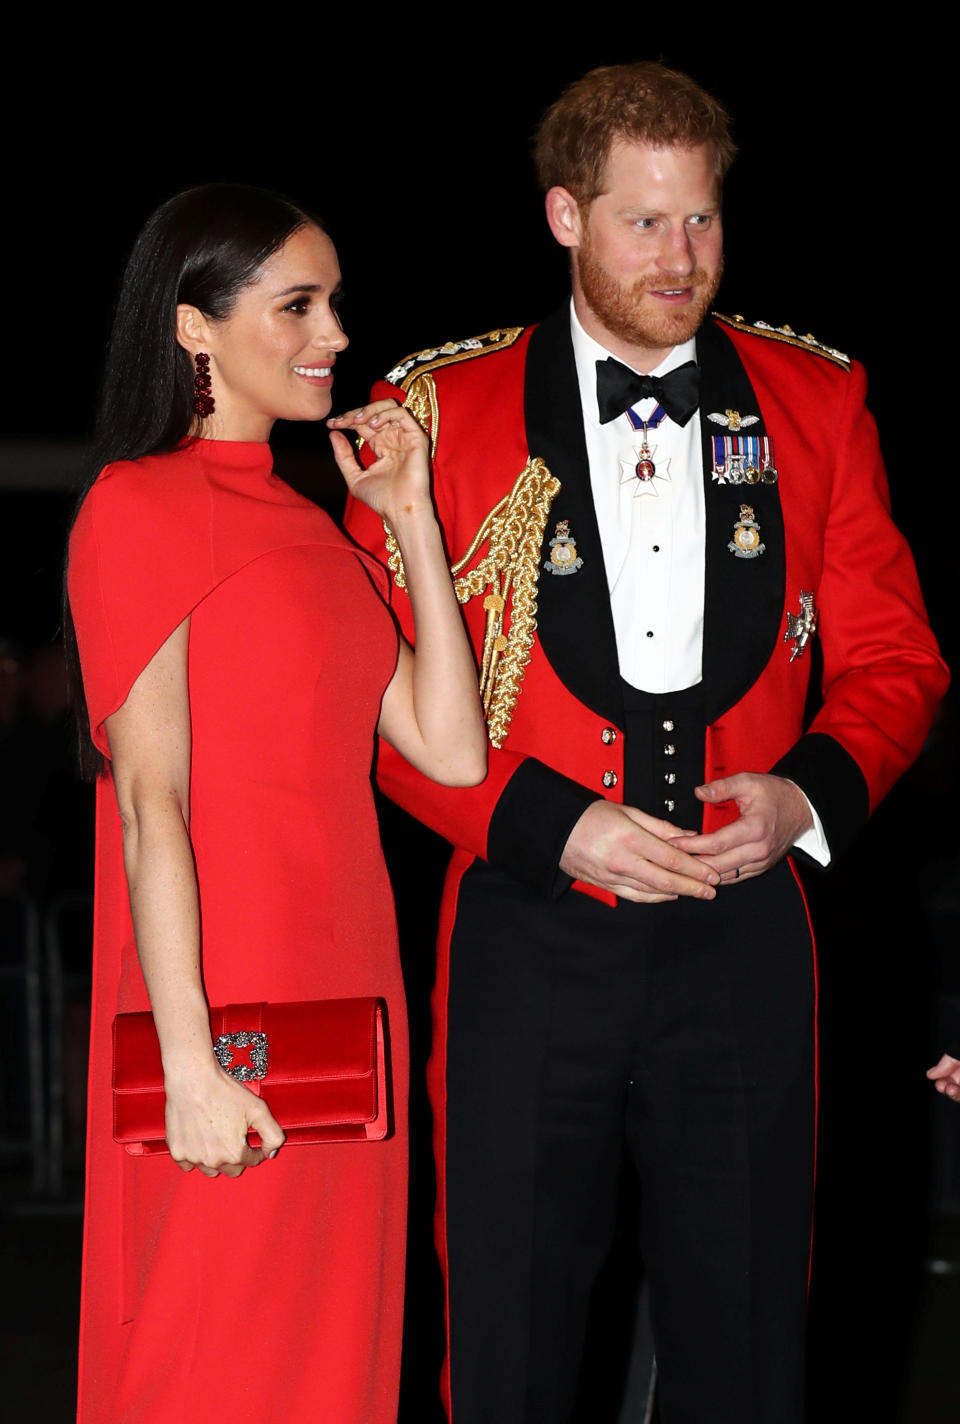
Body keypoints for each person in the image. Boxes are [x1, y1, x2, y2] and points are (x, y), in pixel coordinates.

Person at [343, 62, 950, 1424]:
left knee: (744, 1348)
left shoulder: (818, 402)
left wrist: (801, 799)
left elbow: (898, 663)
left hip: (744, 943)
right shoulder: (435, 416)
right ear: (564, 216)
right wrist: (551, 822)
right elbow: (370, 695)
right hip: (521, 929)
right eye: (643, 223)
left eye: (703, 222)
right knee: (504, 1343)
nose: (681, 261)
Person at [66, 183, 486, 1424]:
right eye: (298, 302)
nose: (336, 331)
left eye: (335, 300)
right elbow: (153, 804)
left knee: (333, 1361)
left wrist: (408, 518)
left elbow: (450, 753)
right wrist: (189, 1060)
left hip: (349, 1006)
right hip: (225, 1017)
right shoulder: (138, 507)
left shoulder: (322, 531)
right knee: (214, 1358)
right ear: (195, 328)